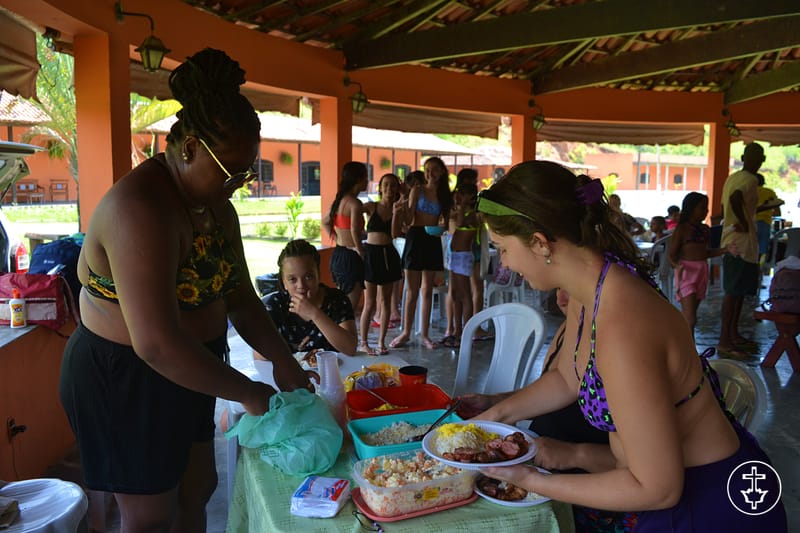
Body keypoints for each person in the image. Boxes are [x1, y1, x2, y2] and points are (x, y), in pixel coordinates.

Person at [58, 49, 314, 532]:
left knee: (197, 489)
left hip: (193, 364)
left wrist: (282, 360)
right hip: (126, 374)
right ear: (190, 147)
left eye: (245, 174)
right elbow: (154, 342)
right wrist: (248, 391)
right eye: (230, 171)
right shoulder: (140, 209)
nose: (237, 184)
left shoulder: (216, 206)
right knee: (150, 515)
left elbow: (239, 295)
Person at [473, 160, 786, 531]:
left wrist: (531, 480)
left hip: (709, 504)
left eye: (503, 248)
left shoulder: (622, 327)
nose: (504, 263)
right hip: (671, 489)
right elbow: (569, 378)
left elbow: (657, 488)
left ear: (540, 243)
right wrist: (491, 420)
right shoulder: (591, 288)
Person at [457, 288, 636, 530]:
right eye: (559, 289)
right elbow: (552, 391)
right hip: (536, 471)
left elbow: (645, 472)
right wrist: (495, 402)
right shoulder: (569, 331)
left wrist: (575, 454)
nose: (561, 298)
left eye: (572, 289)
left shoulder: (624, 349)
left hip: (591, 494)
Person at [390, 157, 452, 349]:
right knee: (412, 291)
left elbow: (446, 223)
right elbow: (409, 220)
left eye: (433, 170)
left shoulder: (444, 196)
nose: (429, 173)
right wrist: (400, 210)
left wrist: (443, 226)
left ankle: (424, 334)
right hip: (416, 238)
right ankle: (406, 332)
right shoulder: (418, 190)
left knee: (427, 291)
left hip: (433, 239)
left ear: (441, 172)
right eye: (427, 170)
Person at [258, 239, 357, 356]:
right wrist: (293, 348)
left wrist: (314, 314)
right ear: (284, 282)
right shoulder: (275, 304)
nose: (301, 286)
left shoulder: (336, 299)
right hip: (292, 372)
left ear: (318, 275)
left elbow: (350, 348)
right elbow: (259, 353)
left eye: (308, 277)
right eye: (292, 279)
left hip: (334, 371)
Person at [717, 143, 765, 360]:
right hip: (740, 242)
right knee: (733, 292)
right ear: (755, 159)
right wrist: (744, 223)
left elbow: (732, 203)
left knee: (737, 294)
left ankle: (732, 335)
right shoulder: (750, 179)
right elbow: (736, 199)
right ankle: (725, 341)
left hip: (733, 238)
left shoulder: (733, 177)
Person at [668, 192, 726, 336]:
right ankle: (689, 351)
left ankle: (686, 345)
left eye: (706, 208)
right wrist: (676, 266)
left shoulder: (705, 229)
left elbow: (705, 253)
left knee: (692, 314)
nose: (705, 211)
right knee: (690, 318)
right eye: (701, 208)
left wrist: (725, 250)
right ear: (690, 208)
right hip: (686, 272)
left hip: (702, 271)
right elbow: (671, 255)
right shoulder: (682, 229)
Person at [358, 174, 403, 355]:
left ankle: (381, 342)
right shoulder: (371, 206)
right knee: (369, 303)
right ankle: (363, 342)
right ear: (380, 188)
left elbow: (393, 234)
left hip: (388, 255)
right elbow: (352, 210)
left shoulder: (397, 209)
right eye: (386, 185)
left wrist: (397, 213)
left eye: (393, 186)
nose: (389, 189)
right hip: (371, 254)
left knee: (385, 302)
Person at [322, 161, 368, 312]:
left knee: (342, 304)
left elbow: (325, 221)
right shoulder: (355, 203)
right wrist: (360, 250)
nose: (367, 181)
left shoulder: (339, 201)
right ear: (358, 179)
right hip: (351, 256)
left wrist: (336, 236)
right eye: (365, 177)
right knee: (349, 309)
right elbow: (355, 230)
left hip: (338, 254)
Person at [441, 182, 479, 348]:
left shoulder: (474, 215)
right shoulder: (458, 212)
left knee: (465, 294)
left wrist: (462, 205)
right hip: (454, 257)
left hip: (463, 257)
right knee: (455, 294)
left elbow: (461, 223)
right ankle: (456, 330)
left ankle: (466, 331)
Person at [755, 173, 784, 266]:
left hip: (750, 223)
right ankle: (759, 271)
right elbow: (777, 211)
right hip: (765, 223)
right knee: (762, 251)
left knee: (750, 250)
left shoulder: (749, 191)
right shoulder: (769, 192)